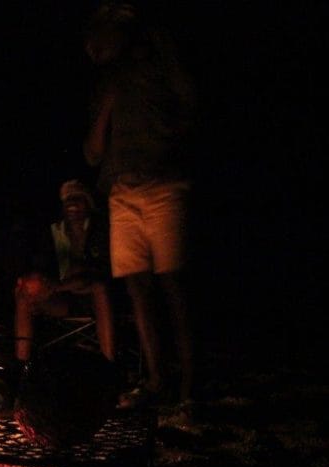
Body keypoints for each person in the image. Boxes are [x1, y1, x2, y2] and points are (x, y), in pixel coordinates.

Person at [82, 2, 197, 409]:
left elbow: (189, 105)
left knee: (173, 286)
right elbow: (93, 154)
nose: (93, 44)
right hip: (122, 193)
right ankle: (154, 381)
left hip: (164, 186)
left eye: (102, 33)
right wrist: (108, 109)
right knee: (138, 289)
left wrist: (166, 146)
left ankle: (188, 386)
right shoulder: (108, 82)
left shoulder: (159, 63)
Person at [13, 179, 116, 363]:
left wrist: (57, 285)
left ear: (88, 203)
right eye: (67, 199)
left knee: (94, 282)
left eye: (77, 198)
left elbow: (100, 272)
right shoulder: (54, 231)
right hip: (64, 299)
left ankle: (108, 363)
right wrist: (31, 283)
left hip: (96, 297)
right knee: (24, 292)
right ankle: (22, 366)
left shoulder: (100, 229)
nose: (71, 203)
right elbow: (41, 267)